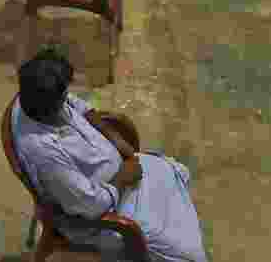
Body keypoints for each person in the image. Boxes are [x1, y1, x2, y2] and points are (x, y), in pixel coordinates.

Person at [12, 47, 208, 262]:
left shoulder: (36, 95)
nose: (68, 97)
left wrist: (116, 139)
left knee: (175, 171)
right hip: (108, 213)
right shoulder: (46, 154)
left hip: (122, 177)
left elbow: (79, 106)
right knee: (188, 255)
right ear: (51, 105)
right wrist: (123, 177)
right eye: (63, 95)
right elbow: (88, 205)